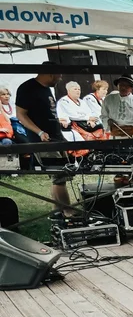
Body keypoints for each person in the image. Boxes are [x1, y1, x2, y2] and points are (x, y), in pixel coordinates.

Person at [15, 65, 74, 216]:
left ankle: (56, 211)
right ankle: (67, 211)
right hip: (42, 139)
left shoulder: (47, 88)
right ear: (50, 73)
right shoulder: (27, 88)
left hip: (56, 136)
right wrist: (39, 132)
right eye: (58, 75)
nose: (60, 78)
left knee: (61, 174)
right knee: (59, 175)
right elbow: (21, 115)